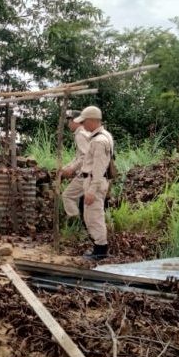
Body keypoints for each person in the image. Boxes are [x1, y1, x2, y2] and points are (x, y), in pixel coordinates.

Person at [60, 106, 113, 260]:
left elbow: (99, 168)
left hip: (94, 181)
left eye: (84, 121)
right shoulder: (104, 136)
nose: (83, 125)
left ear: (91, 120)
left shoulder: (99, 141)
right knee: (93, 215)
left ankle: (100, 250)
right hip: (94, 180)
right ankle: (98, 247)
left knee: (94, 217)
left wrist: (91, 190)